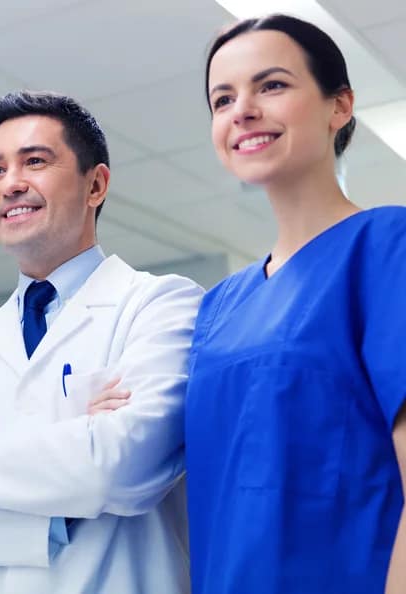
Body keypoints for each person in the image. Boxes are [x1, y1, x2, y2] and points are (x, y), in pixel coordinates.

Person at [0, 90, 203, 593]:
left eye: (35, 162)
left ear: (95, 184)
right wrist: (64, 490)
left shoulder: (161, 305)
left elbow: (125, 466)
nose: (11, 184)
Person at [187, 14, 406, 594]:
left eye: (273, 85)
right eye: (223, 98)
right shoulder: (218, 309)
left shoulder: (387, 247)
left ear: (340, 106)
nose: (243, 110)